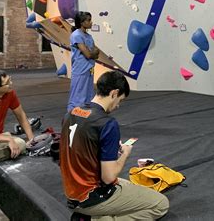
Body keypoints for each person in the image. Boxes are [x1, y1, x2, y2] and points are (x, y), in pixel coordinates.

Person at [60, 71, 169, 220]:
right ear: (114, 93)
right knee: (160, 204)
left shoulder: (71, 113)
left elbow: (81, 149)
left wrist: (106, 147)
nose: (118, 105)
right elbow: (108, 177)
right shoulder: (107, 124)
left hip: (71, 193)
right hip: (91, 198)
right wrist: (125, 154)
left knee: (128, 185)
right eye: (120, 100)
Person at [0, 70, 34, 162]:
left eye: (10, 80)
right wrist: (7, 139)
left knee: (19, 143)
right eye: (7, 83)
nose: (11, 83)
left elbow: (21, 115)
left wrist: (31, 140)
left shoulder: (9, 93)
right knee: (20, 144)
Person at [68, 11, 99, 112]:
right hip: (80, 69)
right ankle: (72, 115)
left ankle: (84, 115)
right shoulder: (76, 35)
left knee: (87, 93)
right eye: (89, 20)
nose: (91, 22)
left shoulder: (89, 37)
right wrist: (92, 53)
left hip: (89, 69)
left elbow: (96, 53)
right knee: (78, 94)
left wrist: (92, 53)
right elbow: (89, 54)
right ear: (82, 22)